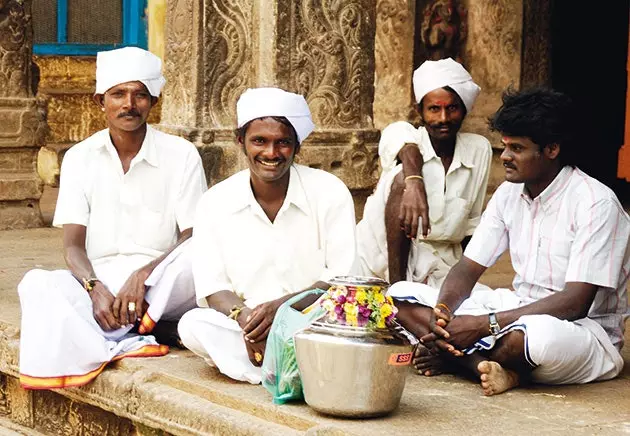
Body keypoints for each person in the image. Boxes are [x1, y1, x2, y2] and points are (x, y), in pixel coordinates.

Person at [389, 87, 629, 396]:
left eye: (517, 148)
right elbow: (466, 269)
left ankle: (457, 359)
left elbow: (576, 303)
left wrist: (483, 325)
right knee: (399, 297)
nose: (505, 157)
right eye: (504, 146)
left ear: (552, 149)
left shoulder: (596, 203)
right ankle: (483, 365)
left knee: (530, 338)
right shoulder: (509, 193)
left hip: (580, 331)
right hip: (514, 309)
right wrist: (443, 313)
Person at [17, 47, 208, 389]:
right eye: (118, 94)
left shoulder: (181, 154)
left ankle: (127, 325)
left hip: (161, 279)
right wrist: (93, 287)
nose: (129, 105)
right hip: (102, 283)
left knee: (200, 256)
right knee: (36, 283)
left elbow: (192, 235)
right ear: (99, 101)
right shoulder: (79, 158)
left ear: (153, 102)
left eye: (140, 95)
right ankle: (129, 338)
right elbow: (73, 247)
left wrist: (145, 273)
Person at [178, 87, 357, 384]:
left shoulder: (329, 191)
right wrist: (247, 321)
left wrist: (281, 310)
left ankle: (269, 367)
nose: (271, 153)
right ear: (241, 142)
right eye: (259, 141)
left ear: (296, 147)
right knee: (193, 324)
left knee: (344, 320)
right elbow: (214, 288)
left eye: (282, 143)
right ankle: (293, 371)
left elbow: (340, 280)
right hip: (246, 322)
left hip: (310, 317)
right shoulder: (216, 200)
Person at [357, 57, 492, 288]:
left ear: (464, 110)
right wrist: (415, 183)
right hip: (386, 260)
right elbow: (398, 138)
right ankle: (398, 293)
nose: (443, 119)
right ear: (419, 111)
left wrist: (465, 281)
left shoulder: (478, 149)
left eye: (452, 108)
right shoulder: (407, 136)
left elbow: (472, 225)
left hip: (443, 264)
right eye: (434, 109)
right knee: (400, 181)